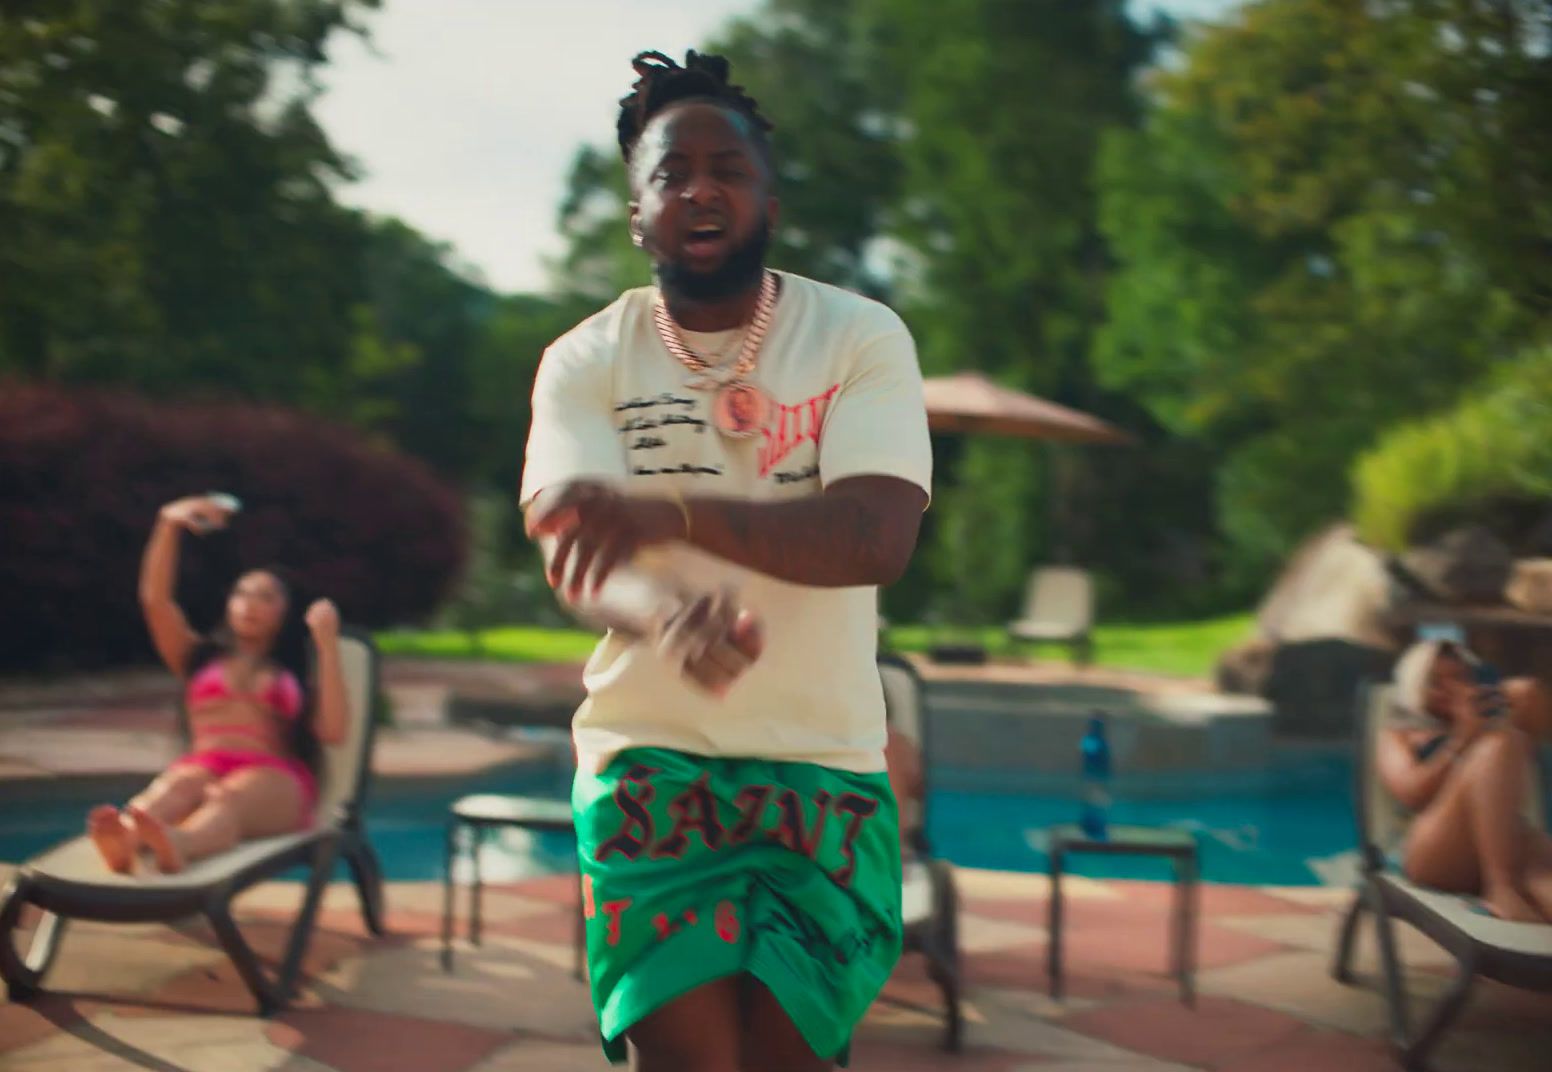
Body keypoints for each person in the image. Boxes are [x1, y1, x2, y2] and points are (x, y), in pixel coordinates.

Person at [520, 49, 931, 1072]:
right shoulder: (585, 359)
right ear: (637, 214)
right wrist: (661, 614)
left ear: (768, 199)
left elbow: (874, 537)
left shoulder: (858, 337)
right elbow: (578, 551)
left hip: (822, 766)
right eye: (670, 172)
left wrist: (668, 511)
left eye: (727, 167)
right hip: (649, 757)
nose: (699, 187)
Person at [85, 494, 349, 875]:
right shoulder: (198, 657)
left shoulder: (294, 671)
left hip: (274, 778)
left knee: (228, 798)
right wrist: (167, 523)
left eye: (265, 596)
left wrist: (327, 644)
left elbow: (334, 731)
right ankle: (127, 837)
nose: (249, 604)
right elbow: (155, 601)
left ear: (285, 612)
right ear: (228, 603)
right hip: (205, 765)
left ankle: (179, 844)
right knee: (174, 789)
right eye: (241, 593)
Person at [1379, 639, 1552, 922]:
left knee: (1543, 877)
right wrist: (1462, 738)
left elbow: (1533, 702)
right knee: (1502, 741)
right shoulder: (1400, 734)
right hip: (1433, 852)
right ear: (1414, 687)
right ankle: (1501, 887)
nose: (1451, 689)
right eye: (1435, 682)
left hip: (1506, 841)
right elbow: (1410, 792)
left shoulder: (1491, 720)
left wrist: (1502, 695)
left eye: (1458, 677)